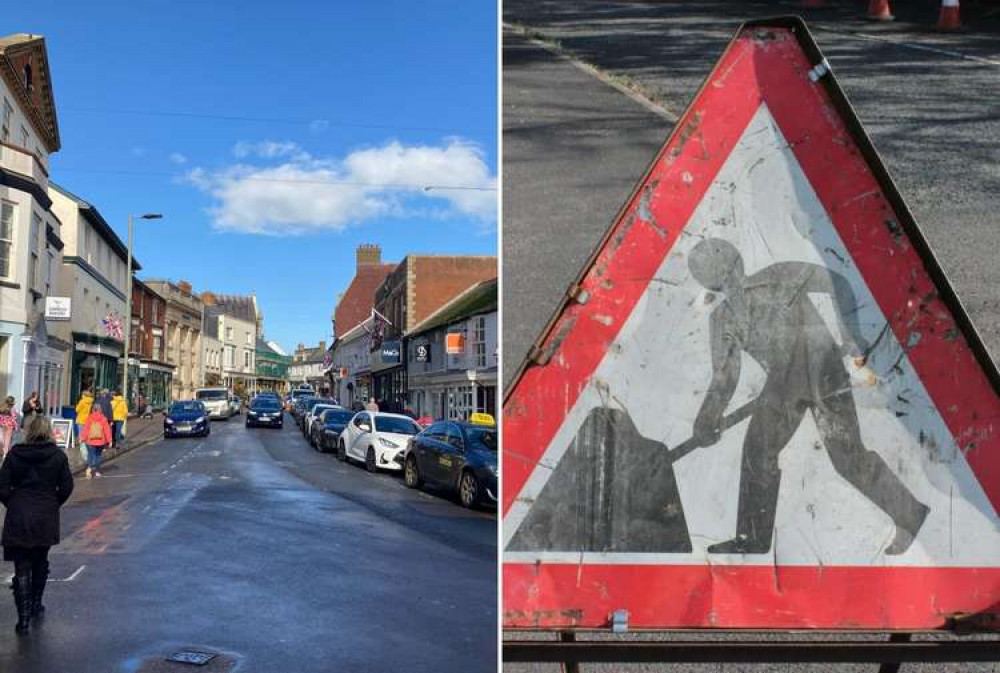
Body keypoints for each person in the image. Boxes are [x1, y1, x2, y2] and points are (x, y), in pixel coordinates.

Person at [688, 238, 928, 555]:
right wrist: (708, 416)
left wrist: (850, 335)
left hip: (823, 368)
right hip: (783, 383)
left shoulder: (780, 274)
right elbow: (726, 375)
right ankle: (751, 539)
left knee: (847, 458)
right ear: (708, 280)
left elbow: (837, 283)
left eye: (726, 266)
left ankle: (909, 513)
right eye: (716, 272)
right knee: (758, 453)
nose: (726, 275)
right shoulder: (722, 318)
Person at [0, 414, 74, 633]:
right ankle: (35, 604)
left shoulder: (14, 454)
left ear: (28, 431)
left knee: (21, 566)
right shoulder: (57, 456)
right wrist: (53, 502)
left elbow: (2, 487)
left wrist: (12, 502)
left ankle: (23, 619)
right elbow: (67, 487)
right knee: (40, 561)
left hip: (19, 512)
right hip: (45, 513)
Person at [81, 406, 112, 479]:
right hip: (101, 441)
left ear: (92, 410)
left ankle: (89, 468)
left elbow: (86, 429)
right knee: (98, 455)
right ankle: (97, 471)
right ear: (100, 410)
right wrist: (109, 441)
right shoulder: (104, 419)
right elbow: (107, 431)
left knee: (90, 455)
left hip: (90, 441)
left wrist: (82, 438)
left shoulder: (89, 418)